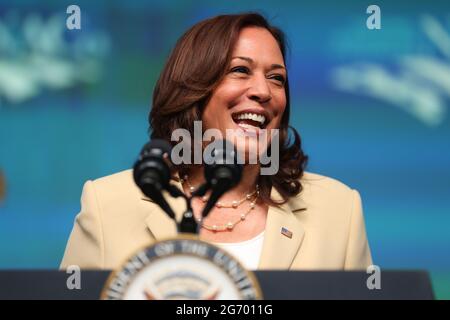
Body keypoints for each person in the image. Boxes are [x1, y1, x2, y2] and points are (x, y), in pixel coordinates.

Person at [61, 13, 372, 271]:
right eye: (240, 70)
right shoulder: (107, 205)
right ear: (193, 89)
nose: (263, 91)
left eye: (276, 78)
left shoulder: (339, 211)